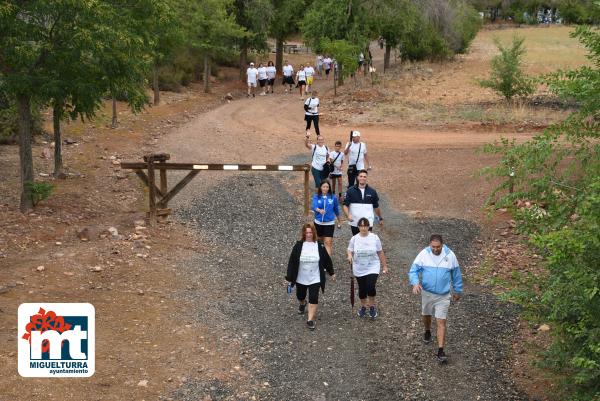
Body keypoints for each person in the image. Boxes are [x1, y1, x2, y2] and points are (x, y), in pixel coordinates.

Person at [408, 234, 463, 363]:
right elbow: (413, 270)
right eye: (433, 247)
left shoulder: (450, 256)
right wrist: (415, 283)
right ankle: (427, 331)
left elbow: (456, 274)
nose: (435, 249)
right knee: (426, 315)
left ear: (442, 245)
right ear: (429, 245)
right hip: (427, 293)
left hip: (443, 295)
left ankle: (440, 351)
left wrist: (457, 290)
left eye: (438, 247)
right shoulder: (423, 254)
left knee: (441, 322)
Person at [286, 223, 335, 330]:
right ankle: (303, 303)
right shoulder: (298, 246)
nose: (309, 234)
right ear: (304, 233)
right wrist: (289, 277)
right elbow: (292, 262)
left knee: (313, 297)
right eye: (307, 232)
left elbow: (327, 260)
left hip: (315, 277)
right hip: (301, 277)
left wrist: (332, 273)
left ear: (314, 233)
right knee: (300, 295)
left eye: (310, 232)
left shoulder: (319, 245)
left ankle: (310, 319)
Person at [347, 217, 389, 319]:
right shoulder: (354, 238)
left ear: (368, 226)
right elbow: (349, 250)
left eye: (365, 226)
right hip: (359, 267)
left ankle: (372, 306)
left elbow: (380, 251)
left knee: (370, 286)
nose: (363, 228)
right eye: (361, 226)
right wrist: (349, 255)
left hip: (372, 266)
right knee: (362, 289)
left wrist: (384, 266)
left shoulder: (374, 237)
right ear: (358, 227)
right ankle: (363, 306)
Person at [343, 169, 383, 235]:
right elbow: (345, 205)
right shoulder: (350, 191)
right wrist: (348, 215)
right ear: (357, 177)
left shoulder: (372, 191)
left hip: (368, 222)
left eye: (364, 176)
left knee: (367, 241)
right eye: (361, 176)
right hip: (355, 221)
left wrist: (380, 218)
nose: (362, 178)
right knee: (357, 240)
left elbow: (376, 206)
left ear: (366, 178)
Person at [312, 180, 341, 255]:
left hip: (329, 223)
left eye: (327, 187)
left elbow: (336, 209)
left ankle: (328, 264)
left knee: (328, 243)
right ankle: (319, 259)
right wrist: (319, 210)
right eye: (324, 187)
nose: (325, 188)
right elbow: (314, 206)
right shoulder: (316, 196)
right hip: (318, 223)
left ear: (329, 188)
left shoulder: (333, 197)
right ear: (320, 187)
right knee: (318, 242)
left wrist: (339, 219)